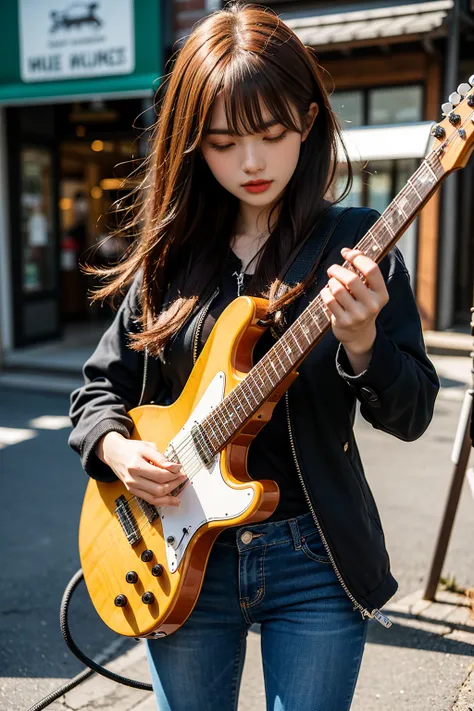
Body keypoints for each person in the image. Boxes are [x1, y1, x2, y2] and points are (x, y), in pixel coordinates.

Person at [68, 3, 440, 709]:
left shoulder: (358, 246)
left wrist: (363, 345)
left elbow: (414, 410)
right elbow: (96, 393)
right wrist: (119, 453)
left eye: (271, 133)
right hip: (176, 560)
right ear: (191, 145)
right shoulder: (170, 258)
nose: (251, 161)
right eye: (221, 141)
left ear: (307, 119)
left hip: (314, 558)